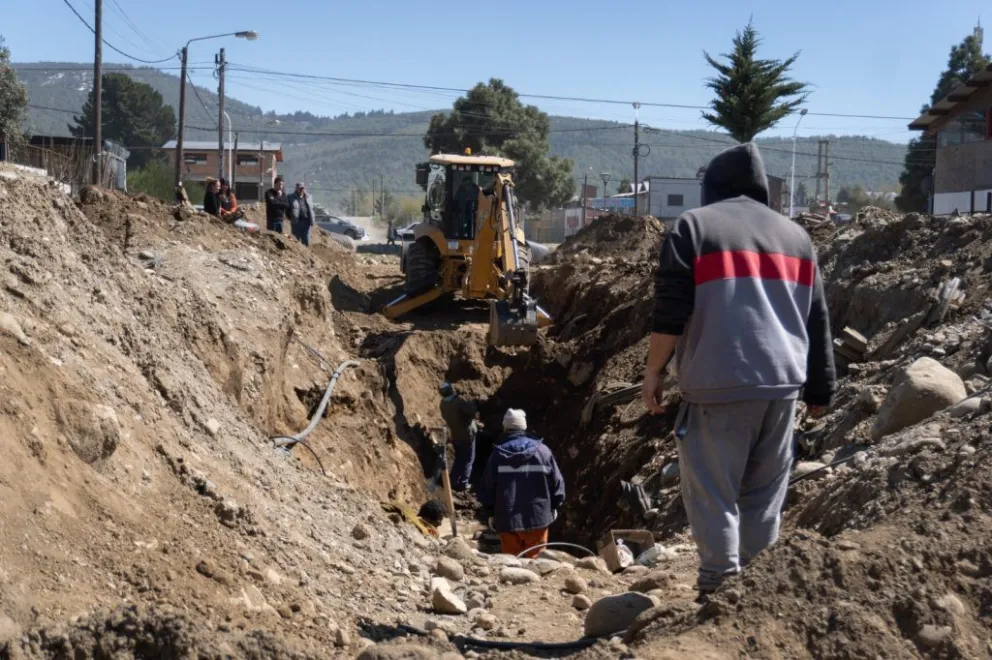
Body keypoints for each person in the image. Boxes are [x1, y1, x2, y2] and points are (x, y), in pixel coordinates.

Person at [641, 142, 836, 600]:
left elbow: (670, 311)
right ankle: (755, 598)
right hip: (783, 387)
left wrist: (654, 372)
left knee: (713, 493)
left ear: (712, 188)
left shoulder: (693, 227)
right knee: (763, 499)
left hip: (717, 385)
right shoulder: (797, 238)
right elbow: (818, 318)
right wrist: (821, 391)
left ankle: (717, 592)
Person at [480, 408, 565, 559]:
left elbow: (488, 488)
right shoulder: (544, 452)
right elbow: (557, 484)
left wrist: (490, 512)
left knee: (512, 564)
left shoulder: (497, 456)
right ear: (524, 427)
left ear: (505, 428)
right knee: (537, 564)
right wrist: (555, 506)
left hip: (507, 520)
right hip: (538, 518)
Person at [438, 382, 478, 492]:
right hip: (467, 434)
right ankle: (463, 483)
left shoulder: (442, 404)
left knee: (459, 458)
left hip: (455, 434)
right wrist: (471, 402)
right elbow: (472, 411)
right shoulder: (458, 402)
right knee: (469, 459)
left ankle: (453, 480)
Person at [288, 182, 315, 246]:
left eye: (303, 188)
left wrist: (312, 220)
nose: (301, 190)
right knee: (295, 241)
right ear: (296, 188)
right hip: (296, 223)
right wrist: (291, 217)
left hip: (306, 222)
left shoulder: (308, 197)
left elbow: (312, 209)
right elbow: (287, 209)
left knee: (306, 241)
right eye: (300, 188)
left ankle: (305, 255)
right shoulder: (290, 197)